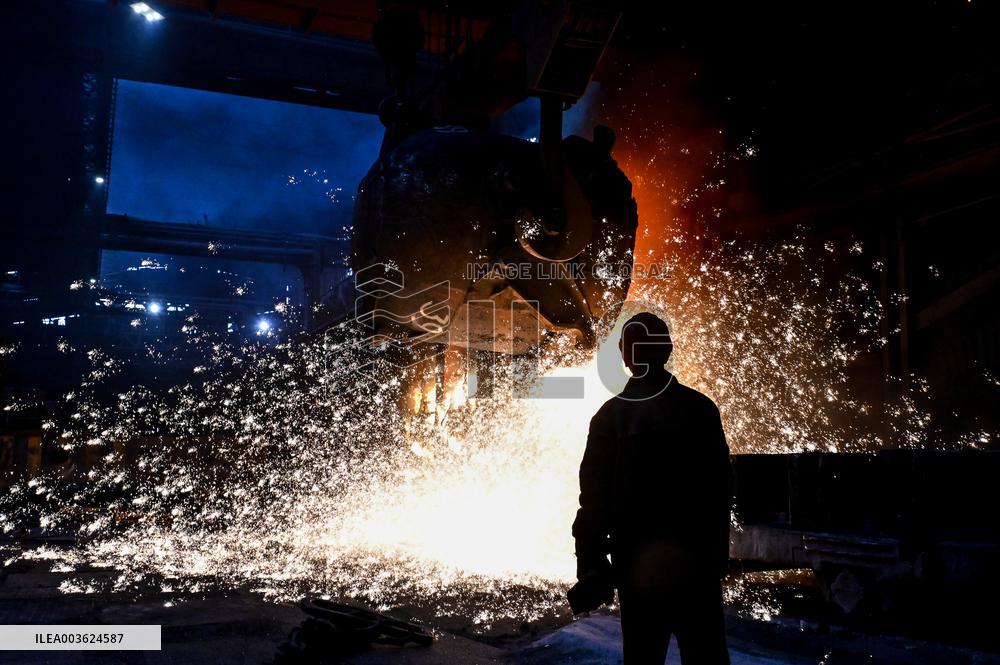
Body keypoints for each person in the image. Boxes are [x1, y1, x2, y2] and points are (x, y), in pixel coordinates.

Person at [571, 312, 733, 664]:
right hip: (697, 572)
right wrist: (717, 559)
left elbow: (594, 503)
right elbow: (720, 490)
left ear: (625, 357)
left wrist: (591, 566)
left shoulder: (609, 418)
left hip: (638, 573)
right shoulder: (700, 410)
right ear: (668, 350)